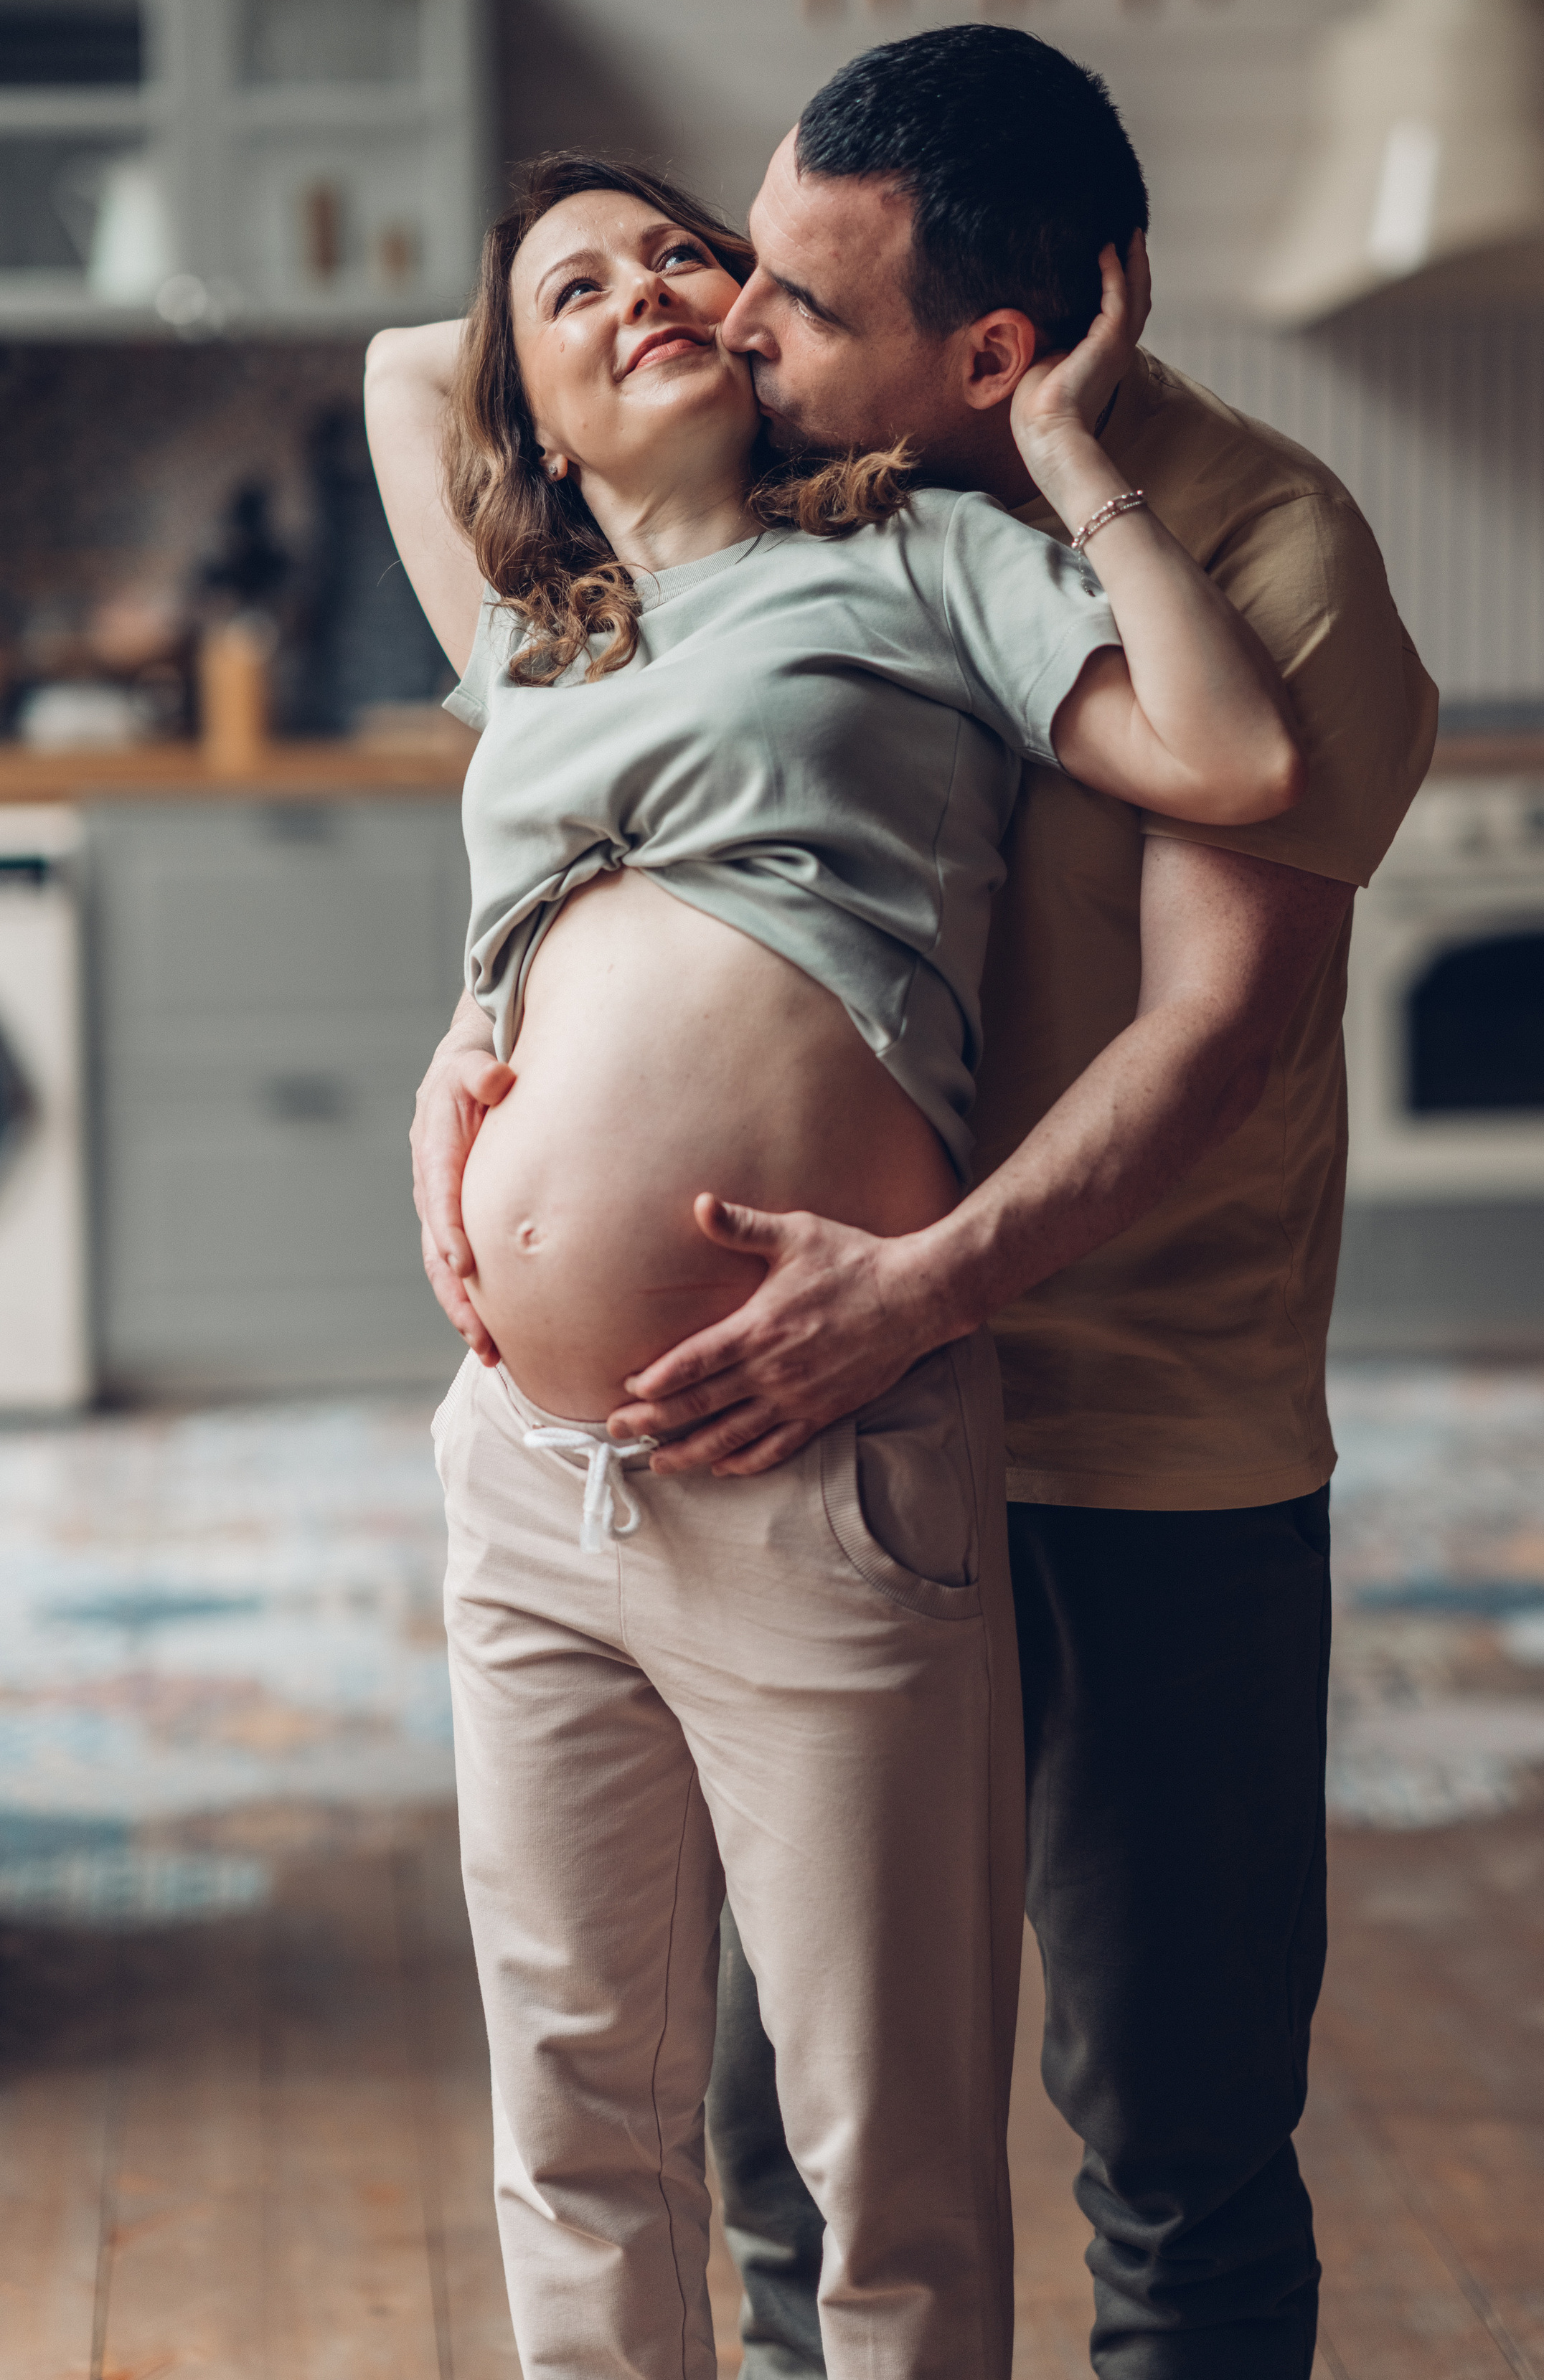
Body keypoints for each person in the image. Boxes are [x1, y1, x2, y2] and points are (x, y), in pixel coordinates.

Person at [366, 143, 1304, 2380]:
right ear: (539, 432)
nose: (652, 293)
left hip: (824, 1467)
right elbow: (414, 365)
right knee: (577, 2129)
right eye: (577, 298)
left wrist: (1061, 442)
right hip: (528, 1473)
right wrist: (472, 1044)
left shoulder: (916, 554)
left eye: (686, 258)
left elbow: (1240, 753)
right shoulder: (536, 634)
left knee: (885, 2166)